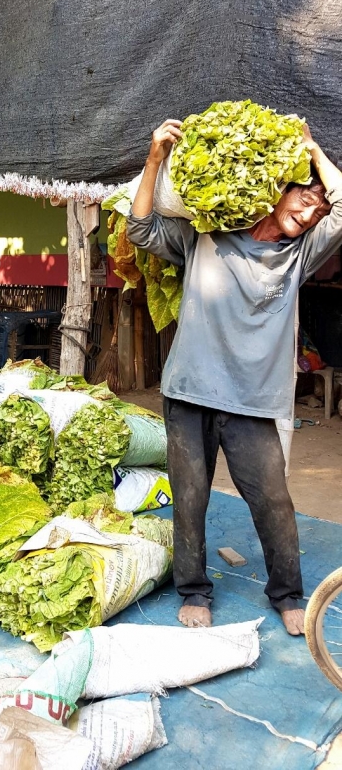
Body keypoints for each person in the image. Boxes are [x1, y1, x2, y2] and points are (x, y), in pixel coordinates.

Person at [127, 118, 342, 636]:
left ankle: (287, 593)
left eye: (318, 206)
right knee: (191, 497)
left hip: (253, 401)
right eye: (301, 198)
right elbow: (140, 228)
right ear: (275, 192)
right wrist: (155, 157)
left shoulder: (300, 255)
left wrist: (311, 150)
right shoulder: (204, 236)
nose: (309, 210)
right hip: (189, 392)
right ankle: (194, 589)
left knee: (273, 501)